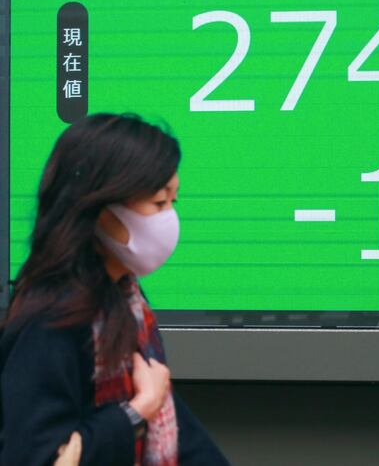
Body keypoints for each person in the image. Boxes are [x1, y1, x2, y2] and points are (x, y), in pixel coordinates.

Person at [0, 113, 231, 465]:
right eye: (158, 203)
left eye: (174, 202)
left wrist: (146, 406)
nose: (169, 218)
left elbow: (173, 420)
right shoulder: (51, 321)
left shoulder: (124, 298)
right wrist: (136, 412)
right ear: (101, 209)